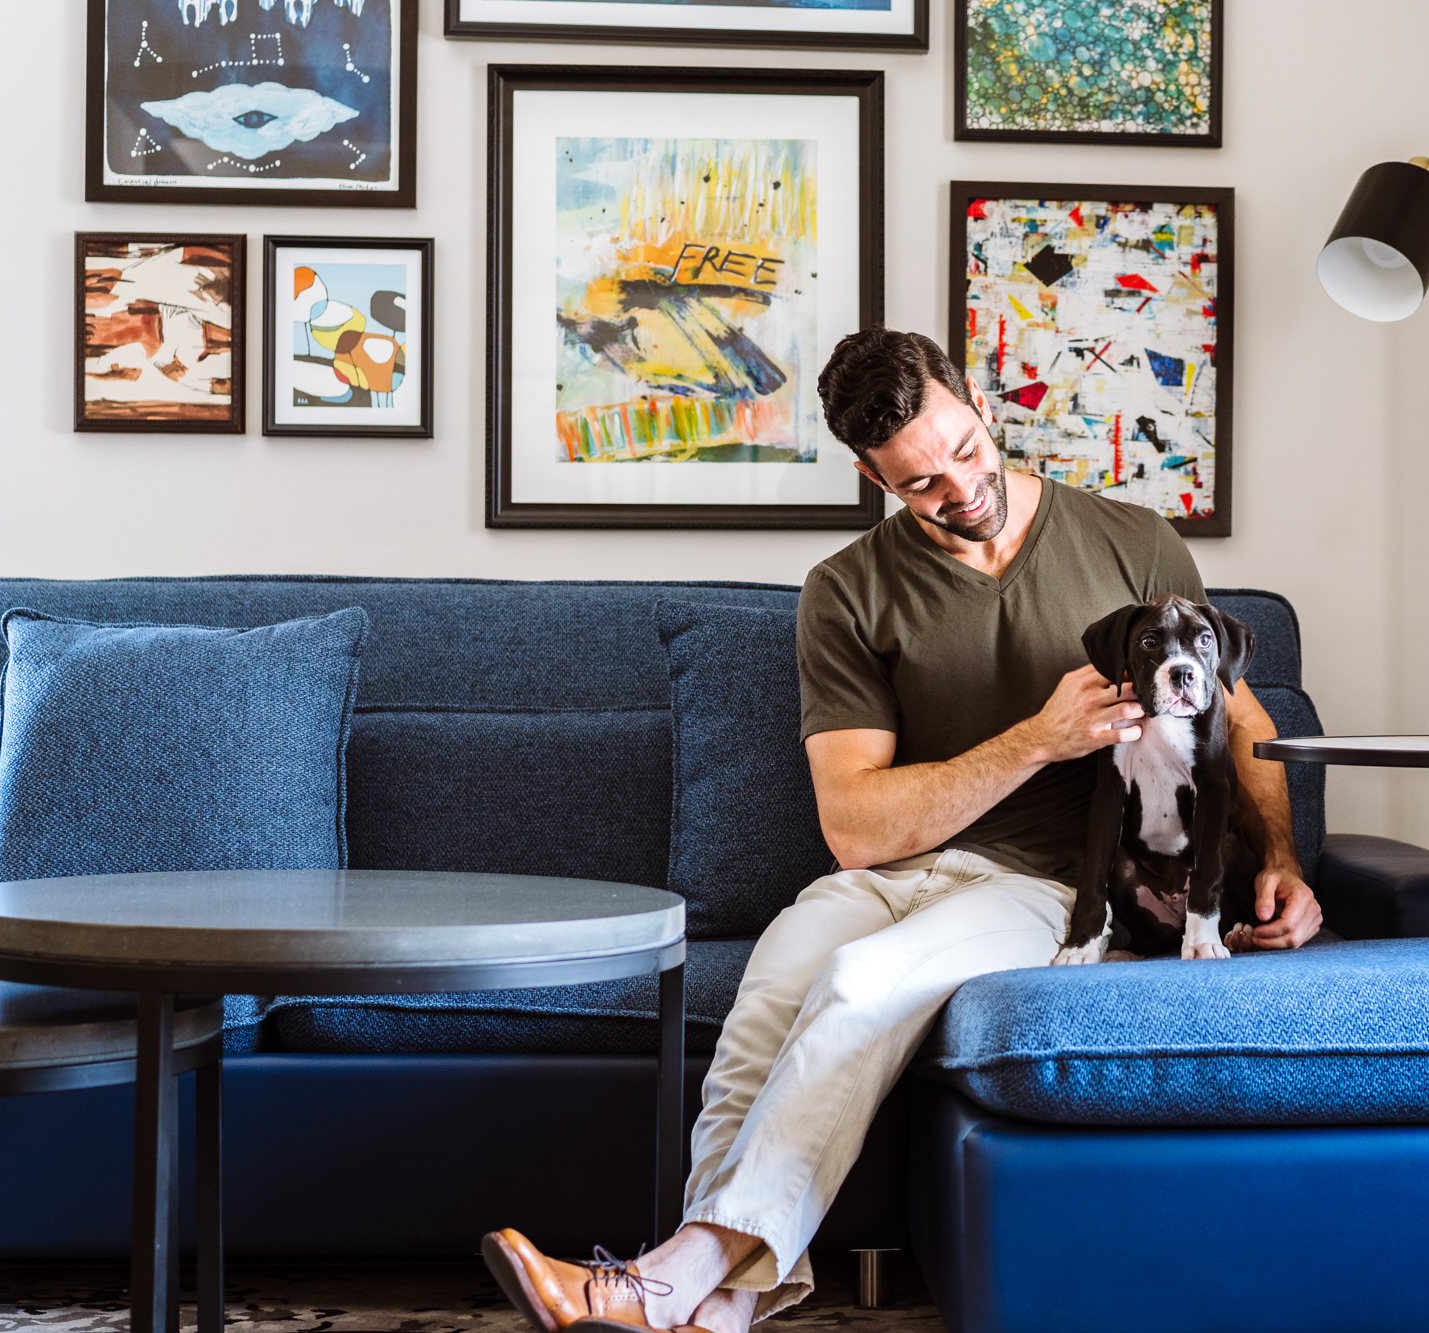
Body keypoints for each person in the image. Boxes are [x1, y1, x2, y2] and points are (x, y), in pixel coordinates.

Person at [481, 330, 1323, 1333]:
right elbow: (853, 825)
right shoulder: (848, 589)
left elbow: (1238, 719)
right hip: (891, 872)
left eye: (966, 450)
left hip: (1044, 884)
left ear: (976, 400)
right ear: (868, 475)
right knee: (764, 1006)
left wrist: (1280, 856)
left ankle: (661, 1282)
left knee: (857, 985)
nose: (960, 489)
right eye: (919, 484)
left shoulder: (1131, 542)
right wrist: (1034, 739)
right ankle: (718, 1311)